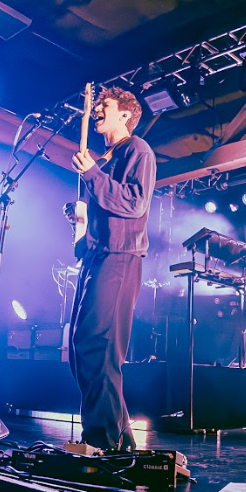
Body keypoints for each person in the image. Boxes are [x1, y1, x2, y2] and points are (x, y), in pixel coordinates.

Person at [68, 86, 155, 452]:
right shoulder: (104, 159)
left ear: (125, 114)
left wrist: (92, 175)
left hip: (120, 256)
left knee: (97, 346)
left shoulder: (138, 150)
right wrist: (80, 217)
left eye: (105, 105)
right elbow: (102, 203)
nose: (98, 111)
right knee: (82, 347)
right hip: (96, 258)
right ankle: (120, 442)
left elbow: (135, 203)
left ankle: (102, 441)